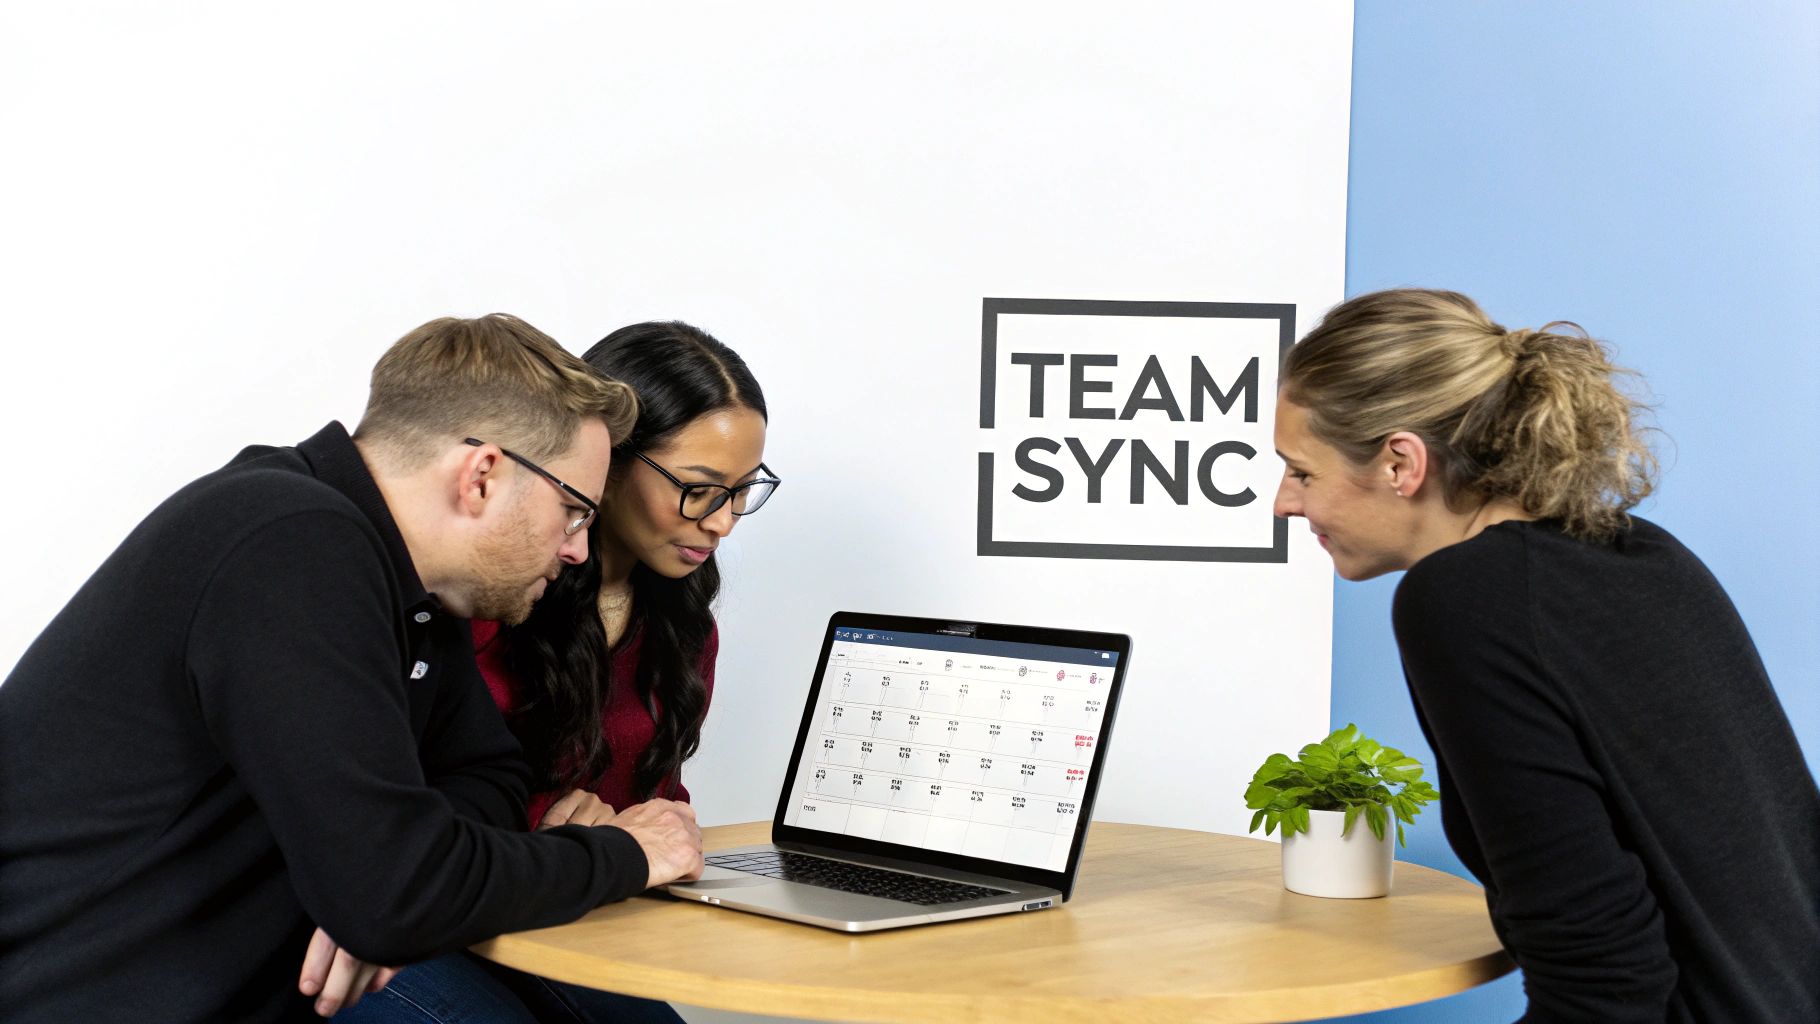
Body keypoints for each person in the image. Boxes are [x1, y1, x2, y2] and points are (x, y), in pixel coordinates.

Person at [0, 315, 705, 1023]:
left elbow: (490, 776)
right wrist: (623, 854)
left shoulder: (412, 586)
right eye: (573, 511)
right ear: (482, 477)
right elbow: (394, 895)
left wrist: (391, 881)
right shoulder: (290, 544)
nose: (577, 549)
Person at [1271, 287, 1820, 1022]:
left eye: (1302, 471)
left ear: (1402, 462)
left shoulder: (1463, 599)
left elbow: (1605, 983)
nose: (1284, 502)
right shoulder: (1639, 551)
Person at [342, 320, 776, 1023]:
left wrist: (650, 830)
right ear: (607, 459)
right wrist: (560, 831)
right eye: (699, 490)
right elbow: (385, 805)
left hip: (562, 910)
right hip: (430, 913)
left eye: (742, 491)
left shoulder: (682, 619)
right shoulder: (478, 590)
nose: (723, 521)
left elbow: (655, 805)